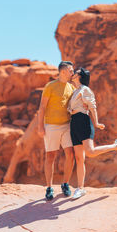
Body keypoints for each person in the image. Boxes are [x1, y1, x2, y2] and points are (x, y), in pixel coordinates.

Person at [68, 67, 117, 200]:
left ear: (80, 76)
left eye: (76, 73)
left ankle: (115, 146)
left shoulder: (85, 89)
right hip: (74, 124)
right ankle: (80, 189)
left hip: (83, 122)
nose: (73, 74)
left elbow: (92, 106)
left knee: (90, 152)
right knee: (79, 158)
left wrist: (96, 123)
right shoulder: (75, 91)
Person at [38, 61, 75, 200]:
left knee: (70, 154)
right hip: (51, 126)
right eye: (71, 71)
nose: (72, 73)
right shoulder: (50, 86)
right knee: (50, 157)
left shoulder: (71, 87)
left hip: (67, 125)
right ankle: (49, 187)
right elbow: (42, 107)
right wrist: (40, 126)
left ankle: (65, 183)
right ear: (63, 71)